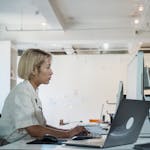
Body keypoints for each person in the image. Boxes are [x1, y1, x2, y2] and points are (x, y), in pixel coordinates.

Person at [0, 48, 88, 144]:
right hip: (12, 145)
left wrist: (69, 132)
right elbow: (34, 130)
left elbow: (42, 126)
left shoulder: (31, 91)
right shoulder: (21, 93)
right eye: (48, 67)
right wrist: (67, 134)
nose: (51, 72)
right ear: (34, 70)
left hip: (25, 143)